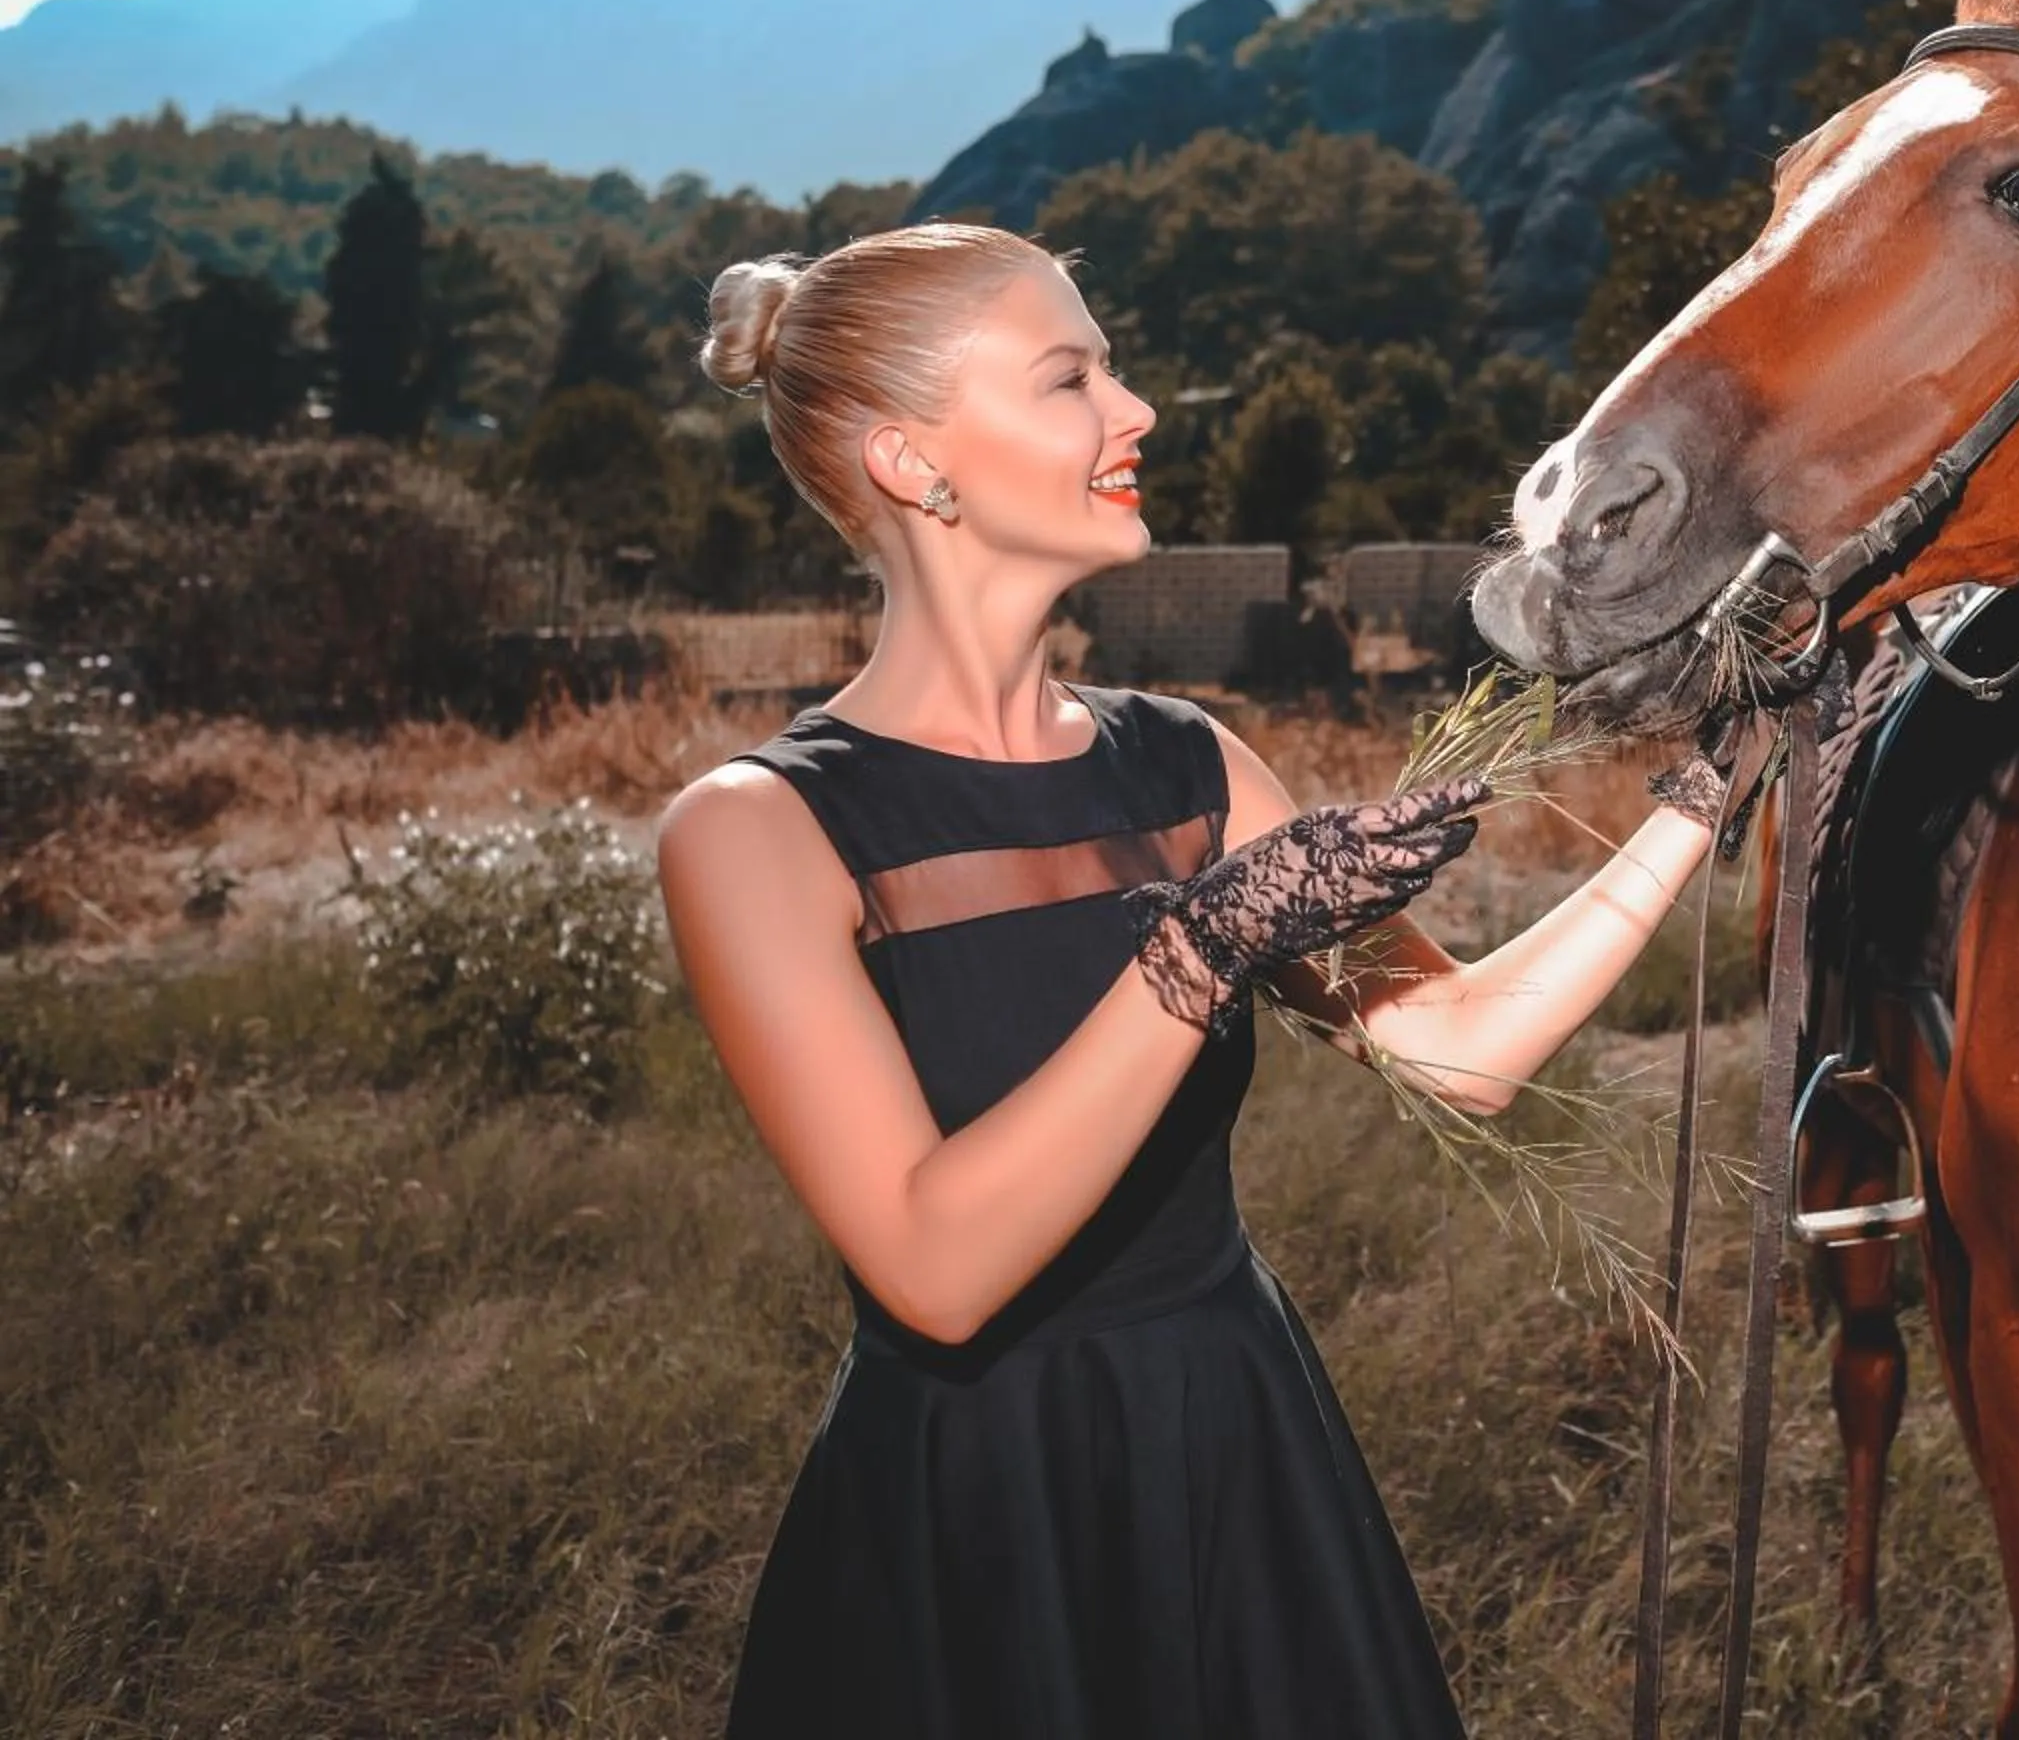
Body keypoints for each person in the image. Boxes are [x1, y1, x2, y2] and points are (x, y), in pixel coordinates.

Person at [653, 222, 1739, 1738]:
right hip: (979, 1515)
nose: (1138, 411)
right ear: (913, 462)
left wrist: (1706, 792)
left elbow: (1459, 1047)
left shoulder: (1188, 759)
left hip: (1234, 1453)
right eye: (1069, 378)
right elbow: (934, 1268)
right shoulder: (756, 830)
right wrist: (1199, 947)